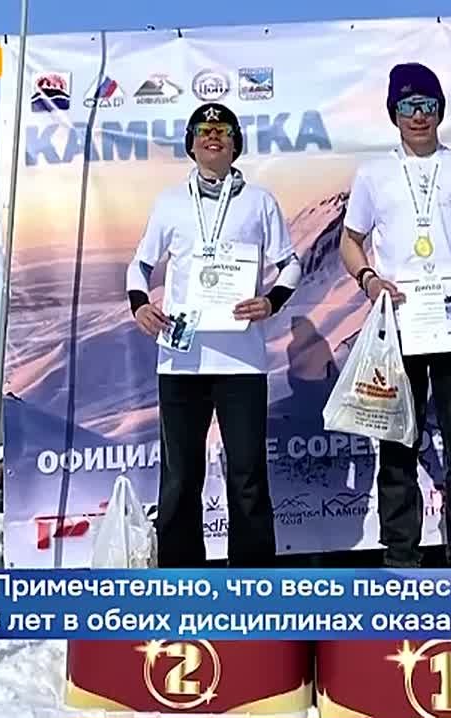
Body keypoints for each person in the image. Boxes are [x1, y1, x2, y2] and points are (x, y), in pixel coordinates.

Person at [339, 62, 451, 568]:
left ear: (440, 111)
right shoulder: (373, 174)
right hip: (399, 326)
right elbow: (350, 241)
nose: (419, 116)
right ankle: (400, 555)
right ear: (394, 113)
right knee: (397, 444)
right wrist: (369, 280)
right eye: (409, 106)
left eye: (428, 106)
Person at [126, 101, 302, 568]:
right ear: (190, 144)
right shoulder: (169, 202)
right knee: (180, 477)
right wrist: (140, 304)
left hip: (242, 362)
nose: (213, 136)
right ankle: (181, 580)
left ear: (235, 144)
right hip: (181, 360)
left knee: (247, 477)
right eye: (203, 130)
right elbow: (139, 265)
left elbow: (291, 264)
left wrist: (272, 301)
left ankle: (253, 581)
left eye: (223, 130)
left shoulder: (260, 201)